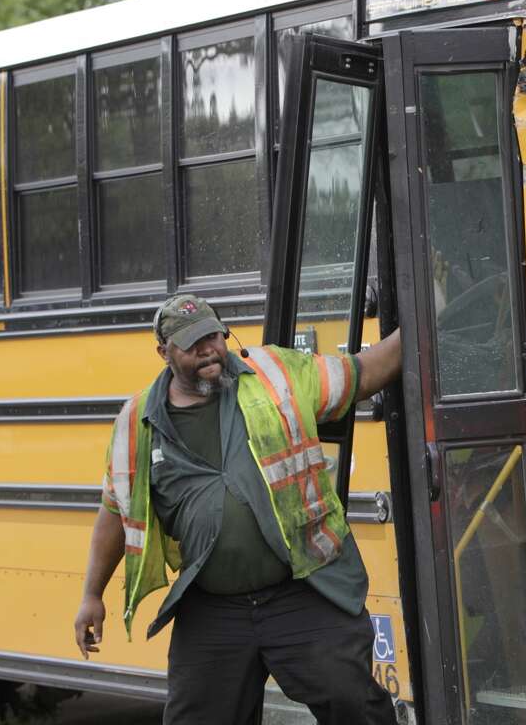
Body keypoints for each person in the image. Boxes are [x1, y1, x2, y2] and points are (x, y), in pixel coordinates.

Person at [72, 294, 402, 724]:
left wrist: (420, 326)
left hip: (300, 590)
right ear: (163, 352)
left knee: (353, 702)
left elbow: (361, 374)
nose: (209, 350)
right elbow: (116, 512)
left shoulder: (274, 375)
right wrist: (91, 595)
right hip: (213, 608)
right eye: (192, 343)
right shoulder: (138, 423)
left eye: (213, 336)